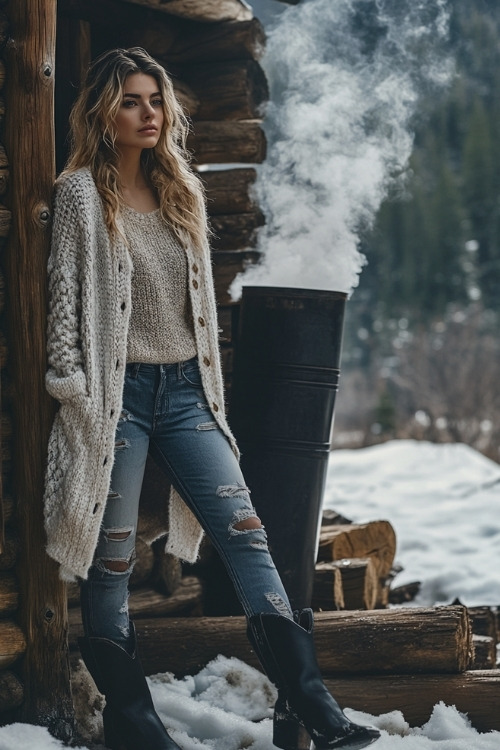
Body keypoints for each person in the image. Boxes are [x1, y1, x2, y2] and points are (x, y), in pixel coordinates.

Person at [44, 47, 380, 750]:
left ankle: (312, 701)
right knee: (111, 558)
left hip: (187, 395)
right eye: (132, 101)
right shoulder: (79, 192)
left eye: (156, 100)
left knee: (246, 533)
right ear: (104, 110)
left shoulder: (181, 191)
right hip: (115, 399)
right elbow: (65, 312)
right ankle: (135, 719)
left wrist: (205, 390)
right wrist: (75, 396)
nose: (148, 114)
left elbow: (198, 313)